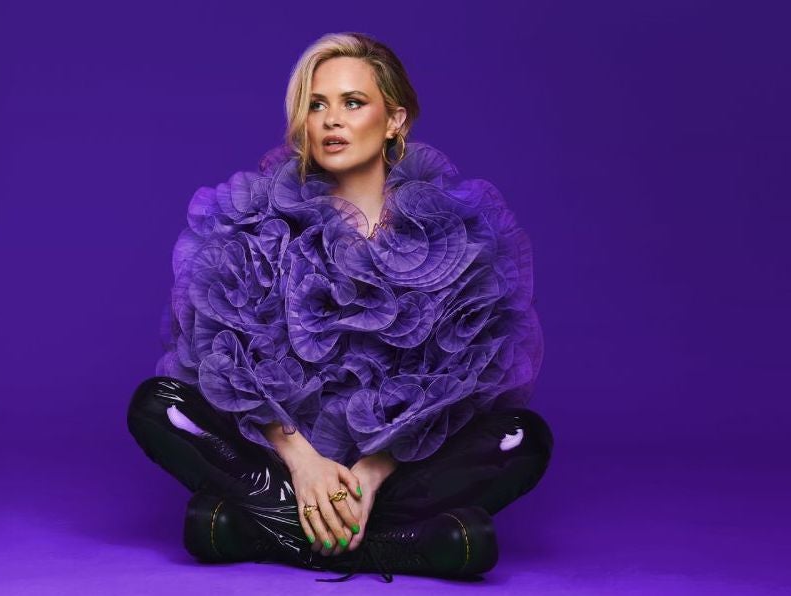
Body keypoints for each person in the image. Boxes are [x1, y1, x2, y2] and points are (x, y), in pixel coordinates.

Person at [127, 31, 554, 583]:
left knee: (522, 436)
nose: (332, 120)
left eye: (353, 103)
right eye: (317, 105)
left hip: (397, 470)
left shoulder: (456, 233)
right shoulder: (258, 222)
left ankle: (252, 529)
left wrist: (371, 476)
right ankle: (411, 546)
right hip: (286, 458)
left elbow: (461, 386)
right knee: (156, 405)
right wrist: (303, 465)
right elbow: (224, 357)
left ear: (395, 121)